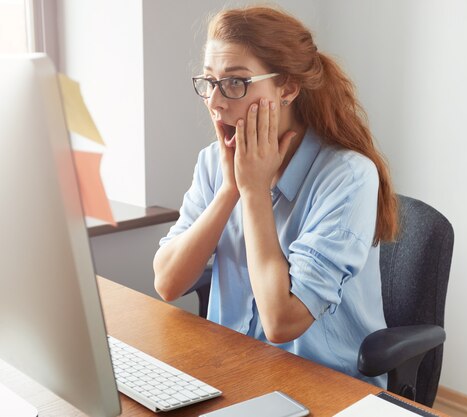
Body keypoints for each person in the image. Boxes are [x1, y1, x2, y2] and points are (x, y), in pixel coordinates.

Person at [153, 5, 398, 388]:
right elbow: (167, 283)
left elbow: (282, 322)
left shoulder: (348, 178)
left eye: (235, 83)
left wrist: (253, 192)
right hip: (232, 372)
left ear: (287, 87)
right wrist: (231, 189)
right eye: (208, 82)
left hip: (325, 386)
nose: (216, 102)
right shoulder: (215, 164)